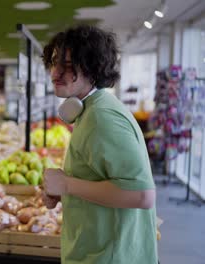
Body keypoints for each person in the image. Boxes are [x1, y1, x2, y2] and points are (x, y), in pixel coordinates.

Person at [41, 25, 158, 263]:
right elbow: (104, 180)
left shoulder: (101, 117)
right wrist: (65, 192)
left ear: (93, 68)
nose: (55, 74)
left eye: (68, 65)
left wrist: (67, 185)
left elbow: (142, 195)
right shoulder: (91, 111)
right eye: (54, 63)